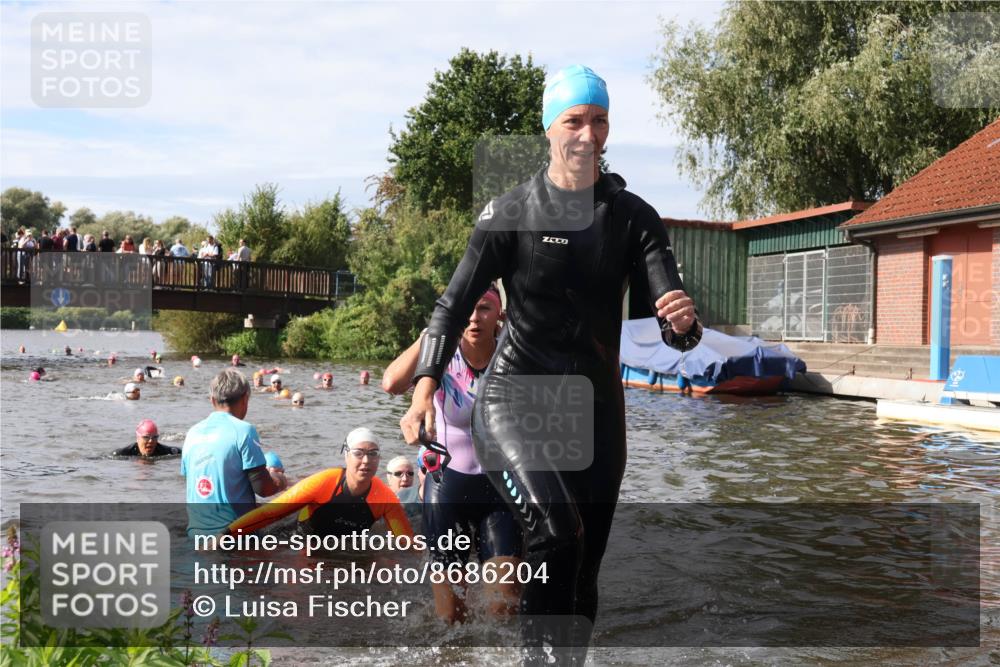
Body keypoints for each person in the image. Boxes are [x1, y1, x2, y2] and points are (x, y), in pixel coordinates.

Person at [398, 65, 702, 659]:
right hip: (514, 401)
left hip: (594, 410)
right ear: (549, 129)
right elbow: (451, 306)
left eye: (599, 121)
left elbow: (675, 329)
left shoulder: (633, 217)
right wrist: (422, 390)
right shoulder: (509, 212)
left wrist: (684, 324)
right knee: (557, 533)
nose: (588, 135)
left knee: (584, 568)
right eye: (574, 121)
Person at [386, 284, 522, 623]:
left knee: (504, 607)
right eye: (466, 311)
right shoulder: (441, 353)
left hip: (501, 490)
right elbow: (390, 384)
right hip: (448, 490)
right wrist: (431, 335)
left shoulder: (514, 350)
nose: (474, 319)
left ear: (499, 315)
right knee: (451, 619)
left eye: (484, 309)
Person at [225, 427, 413, 539]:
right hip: (299, 538)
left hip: (342, 546)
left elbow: (406, 543)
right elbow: (270, 512)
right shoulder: (324, 482)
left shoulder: (385, 498)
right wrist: (226, 535)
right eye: (359, 453)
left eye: (373, 454)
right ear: (346, 455)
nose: (366, 461)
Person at [181, 368, 287, 536]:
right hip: (233, 537)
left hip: (195, 535)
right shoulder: (244, 431)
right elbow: (264, 489)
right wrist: (280, 480)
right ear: (245, 398)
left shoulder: (192, 433)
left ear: (212, 400)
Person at [112, 420, 181, 459]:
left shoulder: (167, 451)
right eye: (146, 437)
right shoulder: (122, 453)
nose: (151, 441)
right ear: (138, 438)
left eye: (154, 437)